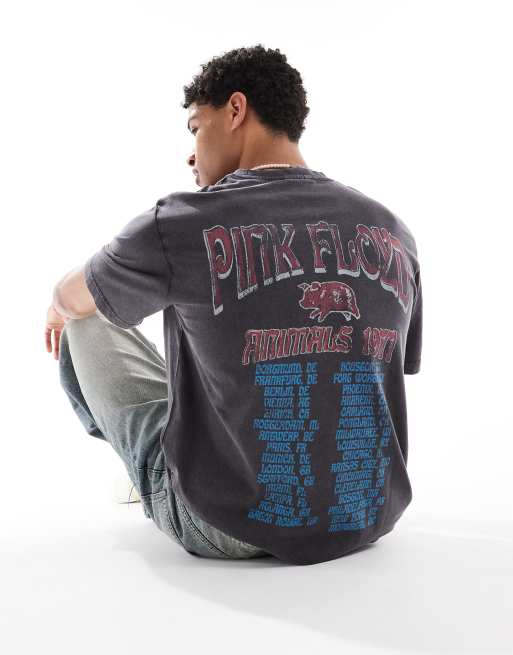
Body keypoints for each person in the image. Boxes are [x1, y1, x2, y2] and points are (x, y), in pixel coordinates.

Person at [46, 44, 422, 566]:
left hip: (221, 525)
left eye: (196, 128)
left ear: (236, 110)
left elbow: (72, 295)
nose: (191, 154)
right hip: (366, 515)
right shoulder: (393, 231)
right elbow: (385, 367)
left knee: (84, 319)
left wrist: (59, 307)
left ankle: (150, 473)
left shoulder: (180, 222)